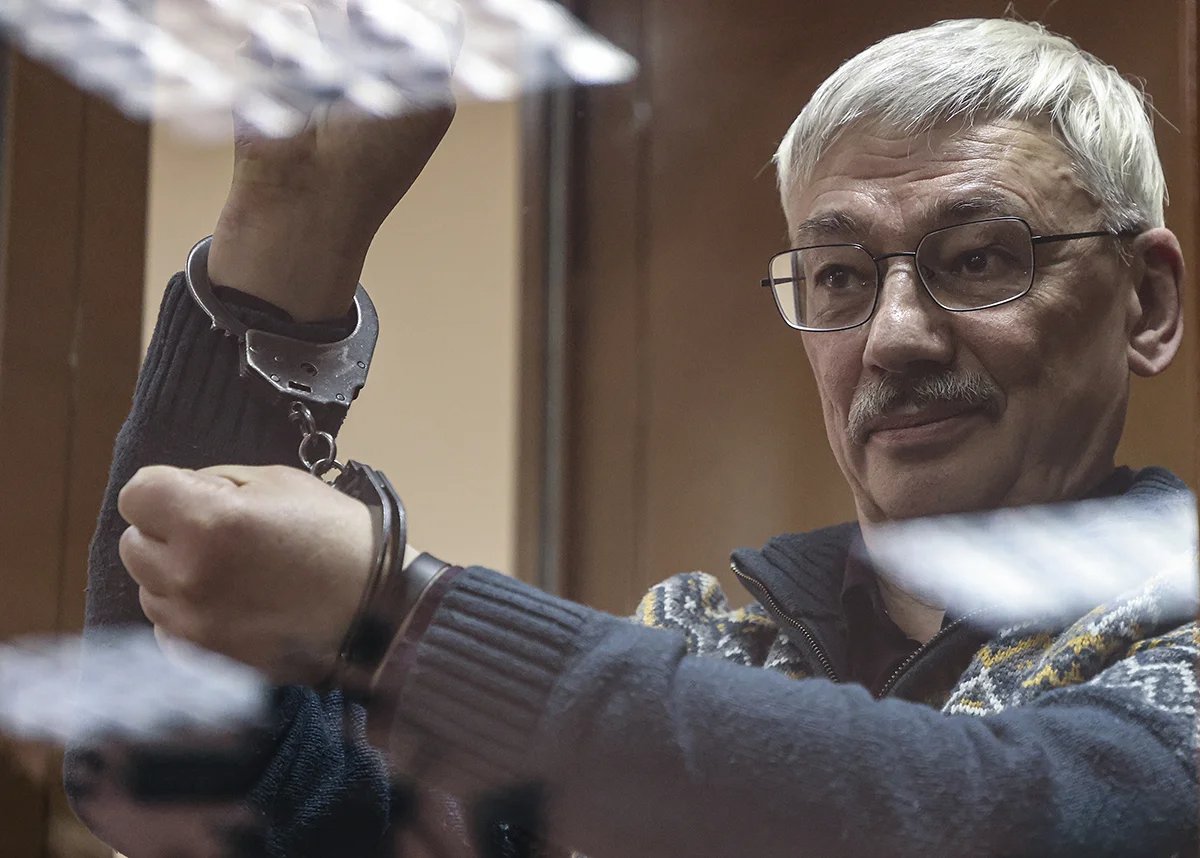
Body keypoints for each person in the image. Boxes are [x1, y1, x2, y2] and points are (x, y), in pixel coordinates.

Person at [70, 15, 1198, 858]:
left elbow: (990, 814)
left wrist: (401, 615)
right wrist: (280, 250)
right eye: (841, 275)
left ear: (1144, 303)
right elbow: (177, 784)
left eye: (982, 259)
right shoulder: (710, 641)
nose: (895, 336)